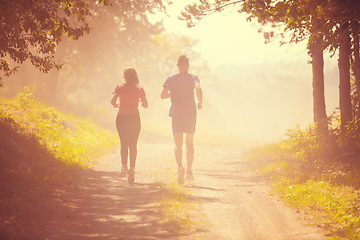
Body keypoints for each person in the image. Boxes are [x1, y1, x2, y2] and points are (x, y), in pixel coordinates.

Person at [161, 55, 203, 185]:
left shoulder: (171, 79)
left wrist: (172, 94)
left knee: (178, 144)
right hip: (190, 113)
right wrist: (200, 102)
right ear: (188, 65)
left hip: (177, 113)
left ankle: (180, 167)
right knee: (189, 143)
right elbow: (198, 88)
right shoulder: (193, 78)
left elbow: (162, 95)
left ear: (177, 65)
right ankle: (189, 171)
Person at [111, 67, 148, 184]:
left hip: (122, 118)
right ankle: (132, 168)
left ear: (124, 77)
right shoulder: (139, 89)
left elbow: (112, 101)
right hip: (134, 118)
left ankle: (124, 167)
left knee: (124, 143)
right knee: (133, 145)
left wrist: (116, 105)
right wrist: (140, 101)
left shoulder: (119, 88)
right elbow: (146, 105)